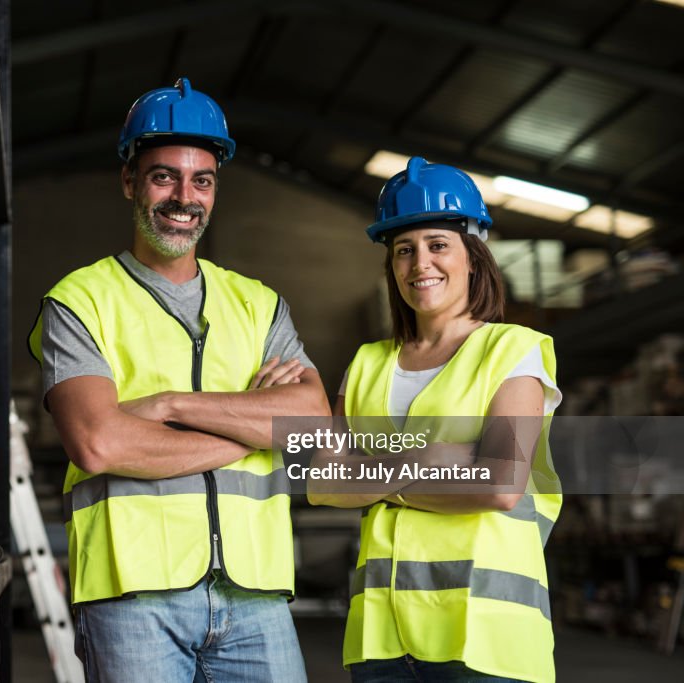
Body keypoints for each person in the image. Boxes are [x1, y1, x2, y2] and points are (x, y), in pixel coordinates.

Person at [28, 77, 330, 683]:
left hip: (256, 595)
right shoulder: (81, 300)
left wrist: (168, 404)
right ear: (130, 182)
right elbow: (100, 443)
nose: (183, 196)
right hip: (133, 596)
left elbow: (313, 424)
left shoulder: (258, 304)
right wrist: (253, 430)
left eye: (202, 180)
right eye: (164, 176)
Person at [309, 156, 562, 683]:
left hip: (486, 635)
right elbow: (319, 480)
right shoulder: (366, 363)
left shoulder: (512, 350)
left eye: (437, 244)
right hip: (381, 637)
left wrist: (376, 476)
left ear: (474, 255)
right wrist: (428, 462)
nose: (419, 262)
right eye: (404, 250)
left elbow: (498, 482)